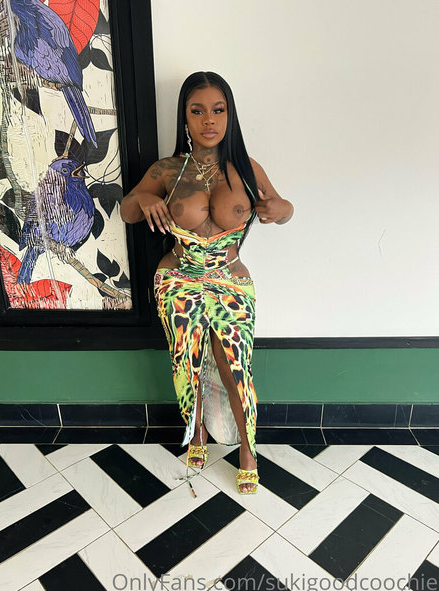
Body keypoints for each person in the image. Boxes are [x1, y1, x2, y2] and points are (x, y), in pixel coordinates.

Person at [120, 71, 294, 496]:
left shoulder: (246, 168)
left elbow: (283, 207)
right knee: (187, 360)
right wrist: (146, 198)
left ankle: (248, 451)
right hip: (178, 278)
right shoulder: (168, 169)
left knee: (235, 365)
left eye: (218, 110)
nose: (209, 120)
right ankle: (195, 431)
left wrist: (281, 208)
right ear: (185, 117)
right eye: (197, 111)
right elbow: (126, 210)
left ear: (229, 115)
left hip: (230, 279)